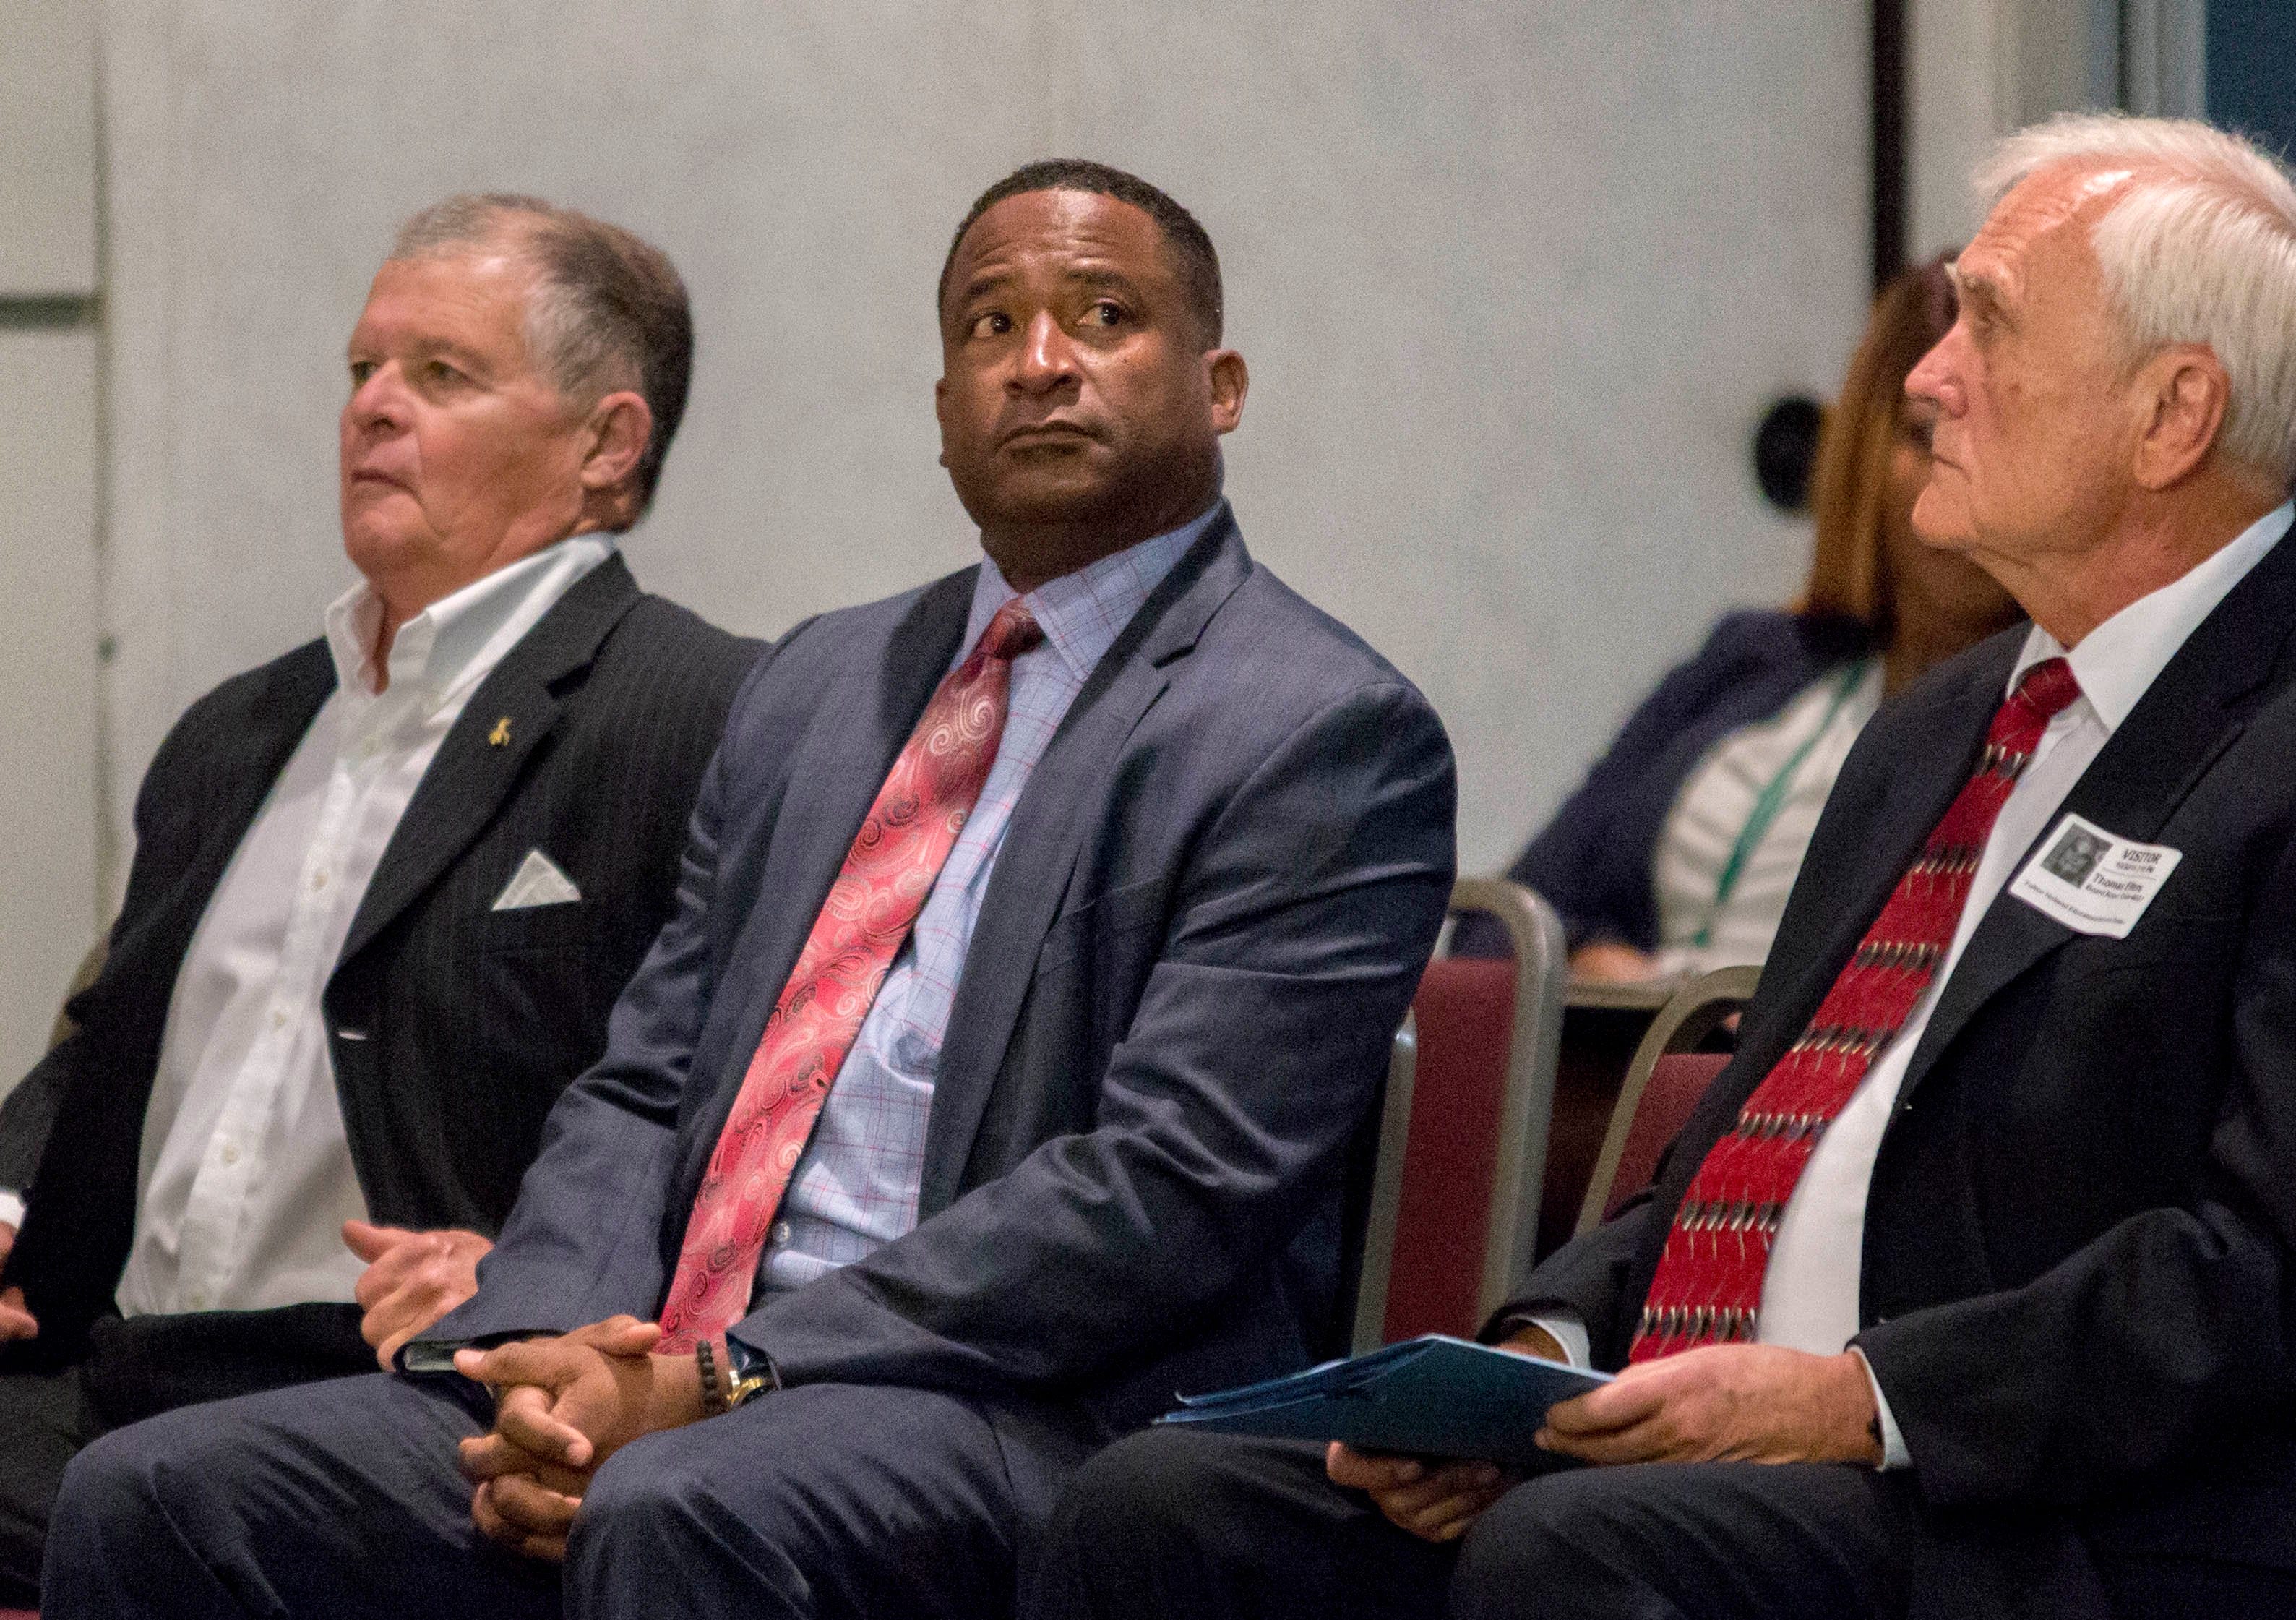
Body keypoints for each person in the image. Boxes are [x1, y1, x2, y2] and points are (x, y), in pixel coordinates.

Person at [39, 159, 1456, 1620]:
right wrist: (543, 1350)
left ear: (1217, 385)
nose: (1038, 362)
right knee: (160, 1490)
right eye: (987, 325)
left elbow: (1160, 1191)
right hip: (672, 1369)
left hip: (1026, 1403)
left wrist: (728, 1373)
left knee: (678, 1506)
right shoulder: (822, 684)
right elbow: (645, 1082)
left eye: (1103, 316)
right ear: (940, 413)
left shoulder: (1315, 728)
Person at [1031, 113, 2296, 1620]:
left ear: (2170, 414)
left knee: (1572, 1559)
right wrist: (1541, 1363)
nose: (1919, 374)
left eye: (1986, 324)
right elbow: (1749, 1146)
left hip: (2033, 1508)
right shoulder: (1942, 726)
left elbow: (2254, 1270)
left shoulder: (2267, 737)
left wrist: (1853, 1398)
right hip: (1719, 1459)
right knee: (1162, 1513)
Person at [0, 194, 759, 1603]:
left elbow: (725, 1109)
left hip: (417, 1378)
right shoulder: (242, 725)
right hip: (121, 1353)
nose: (372, 410)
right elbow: (113, 1027)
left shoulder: (704, 714)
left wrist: (538, 1272)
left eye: (440, 374)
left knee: (155, 1502)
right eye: (362, 372)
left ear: (606, 442)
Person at [1464, 259, 2021, 982]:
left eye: (2002, 440)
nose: (1962, 471)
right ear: (1863, 451)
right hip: (1623, 1074)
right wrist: (1599, 967)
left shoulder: (2060, 708)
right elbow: (1498, 924)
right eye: (1926, 435)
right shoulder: (1757, 658)